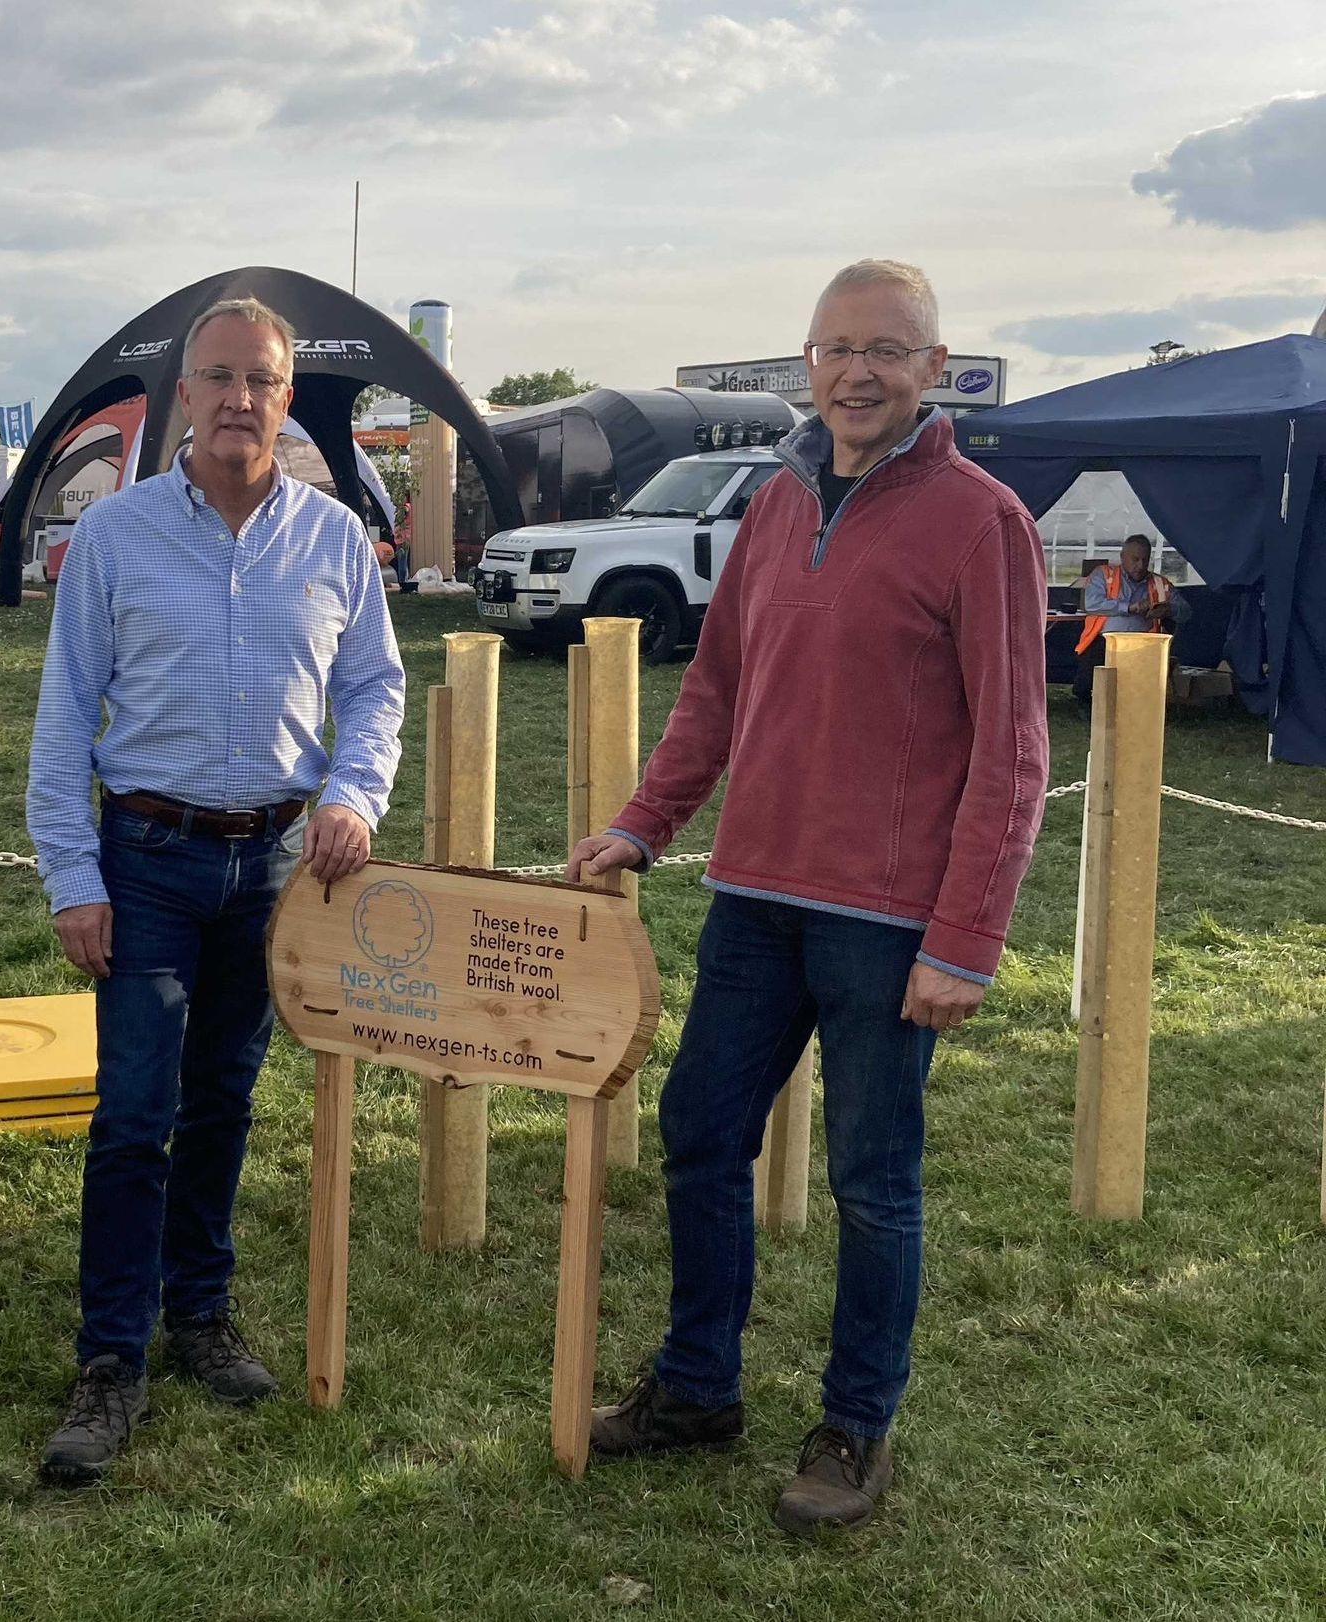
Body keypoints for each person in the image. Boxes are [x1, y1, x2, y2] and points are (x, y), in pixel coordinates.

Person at [568, 260, 1049, 1535]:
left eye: (886, 349)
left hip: (890, 925)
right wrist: (639, 820)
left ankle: (854, 1424)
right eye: (835, 349)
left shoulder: (983, 518)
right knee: (700, 1132)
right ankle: (698, 1387)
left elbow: (1013, 751)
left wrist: (966, 937)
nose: (857, 372)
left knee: (872, 1181)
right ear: (807, 363)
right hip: (752, 897)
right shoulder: (776, 506)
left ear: (934, 368)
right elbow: (718, 691)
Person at [27, 296, 406, 1487]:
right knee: (135, 1112)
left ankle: (199, 1313)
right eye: (219, 377)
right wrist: (71, 877)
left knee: (226, 1098)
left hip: (277, 866)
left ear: (288, 398)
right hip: (145, 861)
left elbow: (379, 689)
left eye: (262, 379)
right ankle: (110, 1357)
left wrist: (354, 793)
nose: (240, 398)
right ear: (181, 396)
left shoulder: (336, 538)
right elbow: (60, 722)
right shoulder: (116, 537)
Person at [1073, 534, 1182, 716]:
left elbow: (1186, 610)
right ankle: (1086, 703)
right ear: (1122, 557)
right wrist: (1129, 608)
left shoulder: (1159, 583)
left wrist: (1168, 609)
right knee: (1090, 667)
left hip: (1145, 643)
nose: (1140, 565)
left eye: (1144, 560)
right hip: (1105, 640)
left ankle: (1142, 706)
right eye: (1135, 559)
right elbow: (1091, 604)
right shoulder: (1103, 574)